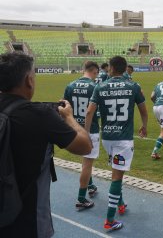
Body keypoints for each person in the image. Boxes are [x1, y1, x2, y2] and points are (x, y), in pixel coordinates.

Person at [0, 52, 91, 238]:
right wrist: (69, 118)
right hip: (28, 222)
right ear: (29, 80)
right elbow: (84, 146)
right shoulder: (40, 115)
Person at [85, 56, 148, 232]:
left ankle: (120, 204)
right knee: (117, 177)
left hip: (107, 138)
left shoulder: (100, 86)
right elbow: (143, 109)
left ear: (111, 68)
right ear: (125, 68)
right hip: (124, 139)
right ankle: (110, 220)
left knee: (115, 170)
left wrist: (86, 132)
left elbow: (90, 112)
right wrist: (144, 125)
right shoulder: (133, 86)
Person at [64, 61, 100, 210]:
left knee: (85, 160)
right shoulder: (95, 87)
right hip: (89, 128)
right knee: (87, 163)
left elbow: (63, 106)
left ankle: (90, 185)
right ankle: (81, 198)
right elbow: (95, 111)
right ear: (95, 72)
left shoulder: (70, 85)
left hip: (74, 127)